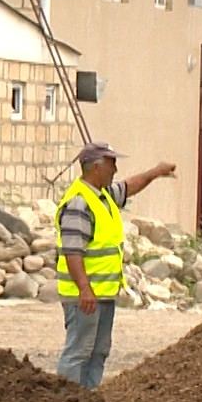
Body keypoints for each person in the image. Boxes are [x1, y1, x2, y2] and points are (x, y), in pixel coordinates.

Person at [53, 141, 176, 389]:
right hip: (84, 296)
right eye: (112, 164)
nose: (115, 170)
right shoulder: (80, 202)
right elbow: (72, 250)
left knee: (98, 351)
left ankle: (88, 401)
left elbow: (129, 186)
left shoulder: (103, 196)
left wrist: (155, 172)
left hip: (103, 294)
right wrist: (84, 289)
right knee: (79, 351)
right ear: (96, 167)